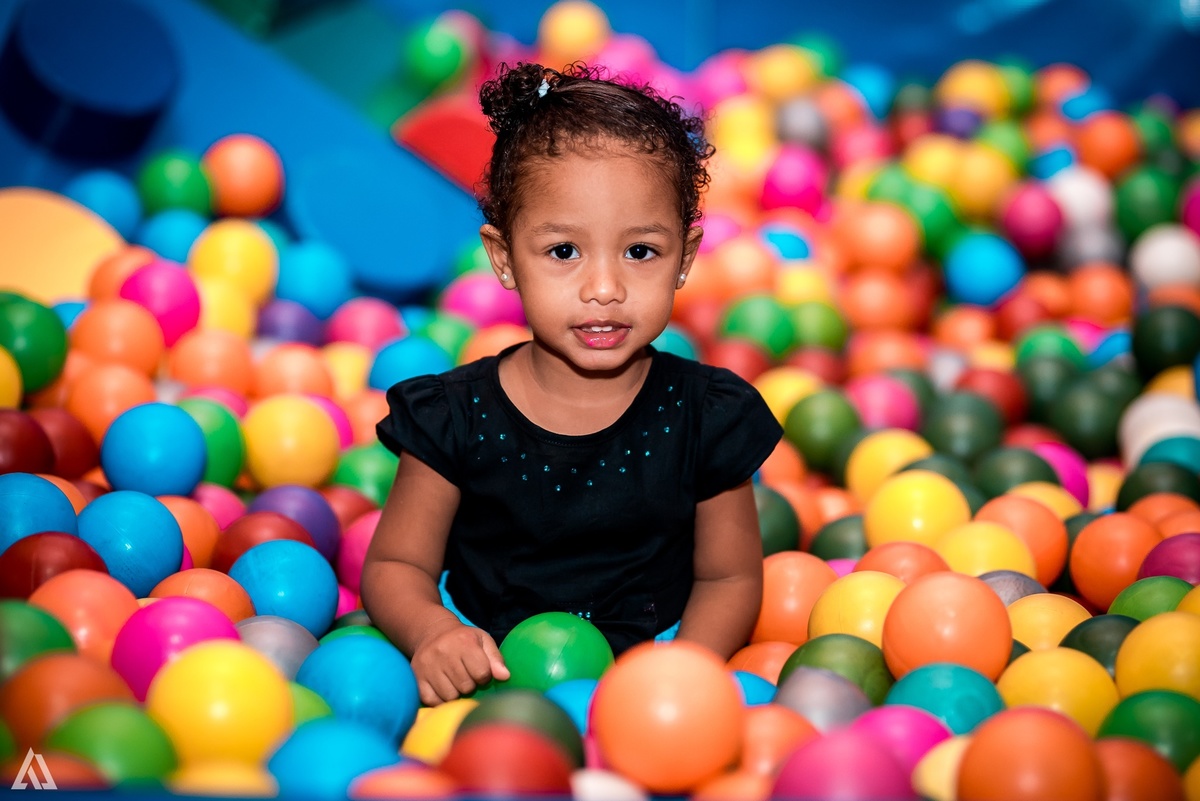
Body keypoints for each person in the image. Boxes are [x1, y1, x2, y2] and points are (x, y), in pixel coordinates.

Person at [361, 62, 782, 706]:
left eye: (640, 251)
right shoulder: (453, 416)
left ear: (685, 259)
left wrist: (685, 670)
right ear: (504, 259)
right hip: (484, 662)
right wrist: (434, 633)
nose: (604, 289)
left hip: (657, 659)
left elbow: (728, 578)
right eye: (564, 252)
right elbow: (397, 566)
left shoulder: (708, 416)